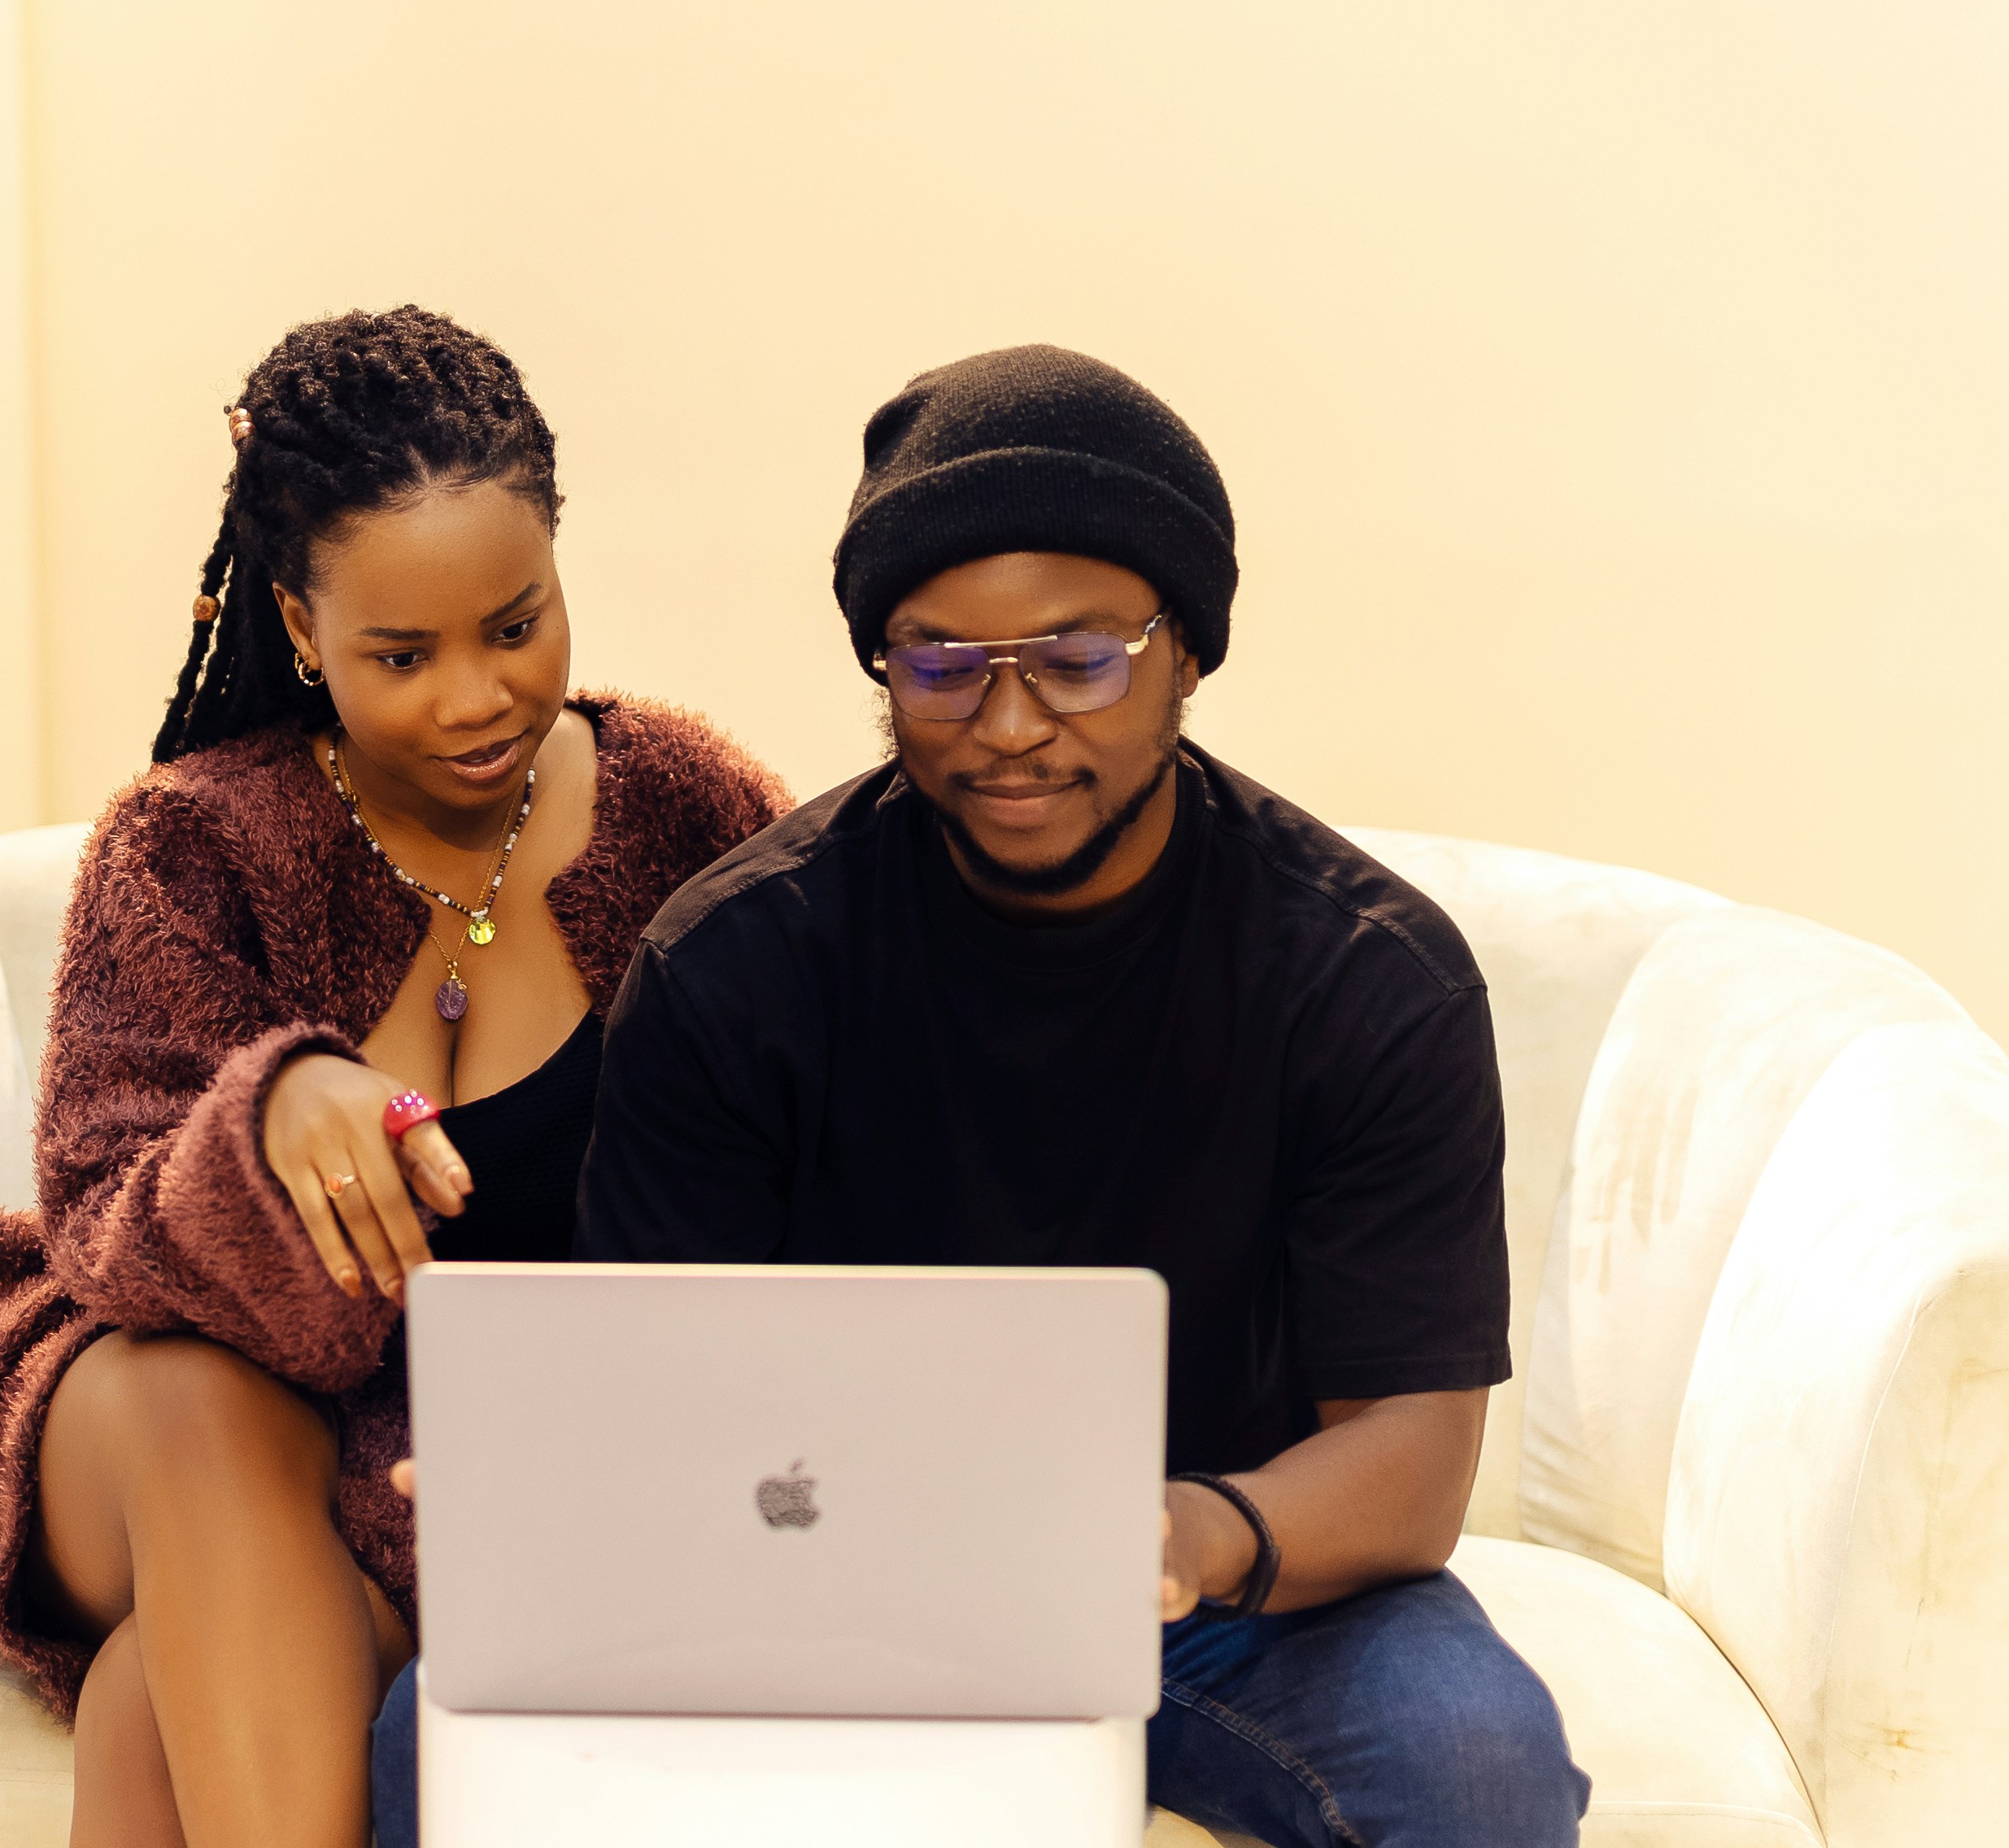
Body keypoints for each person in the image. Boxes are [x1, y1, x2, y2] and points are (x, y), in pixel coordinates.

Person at [536, 345, 1588, 1845]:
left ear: (1188, 653)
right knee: (426, 1735)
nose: (1011, 723)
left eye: (1078, 658)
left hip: (1219, 1590)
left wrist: (1194, 1530)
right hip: (818, 1579)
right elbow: (653, 1389)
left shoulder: (1368, 978)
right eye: (942, 662)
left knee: (1477, 1769)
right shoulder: (732, 966)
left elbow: (1412, 1464)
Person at [0, 306, 786, 1848]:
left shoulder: (682, 807)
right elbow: (101, 1215)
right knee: (208, 1406)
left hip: (465, 1463)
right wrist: (273, 1105)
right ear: (300, 632)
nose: (478, 697)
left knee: (149, 1704)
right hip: (154, 1409)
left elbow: (810, 1144)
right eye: (400, 655)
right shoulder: (194, 842)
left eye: (516, 624)